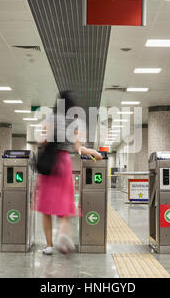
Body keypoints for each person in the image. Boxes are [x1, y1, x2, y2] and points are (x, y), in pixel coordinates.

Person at [36, 90, 102, 255]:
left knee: (46, 208)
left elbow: (42, 141)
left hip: (49, 163)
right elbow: (78, 148)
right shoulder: (75, 122)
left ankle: (49, 246)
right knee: (63, 203)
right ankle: (62, 233)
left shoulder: (50, 119)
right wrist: (94, 152)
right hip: (64, 163)